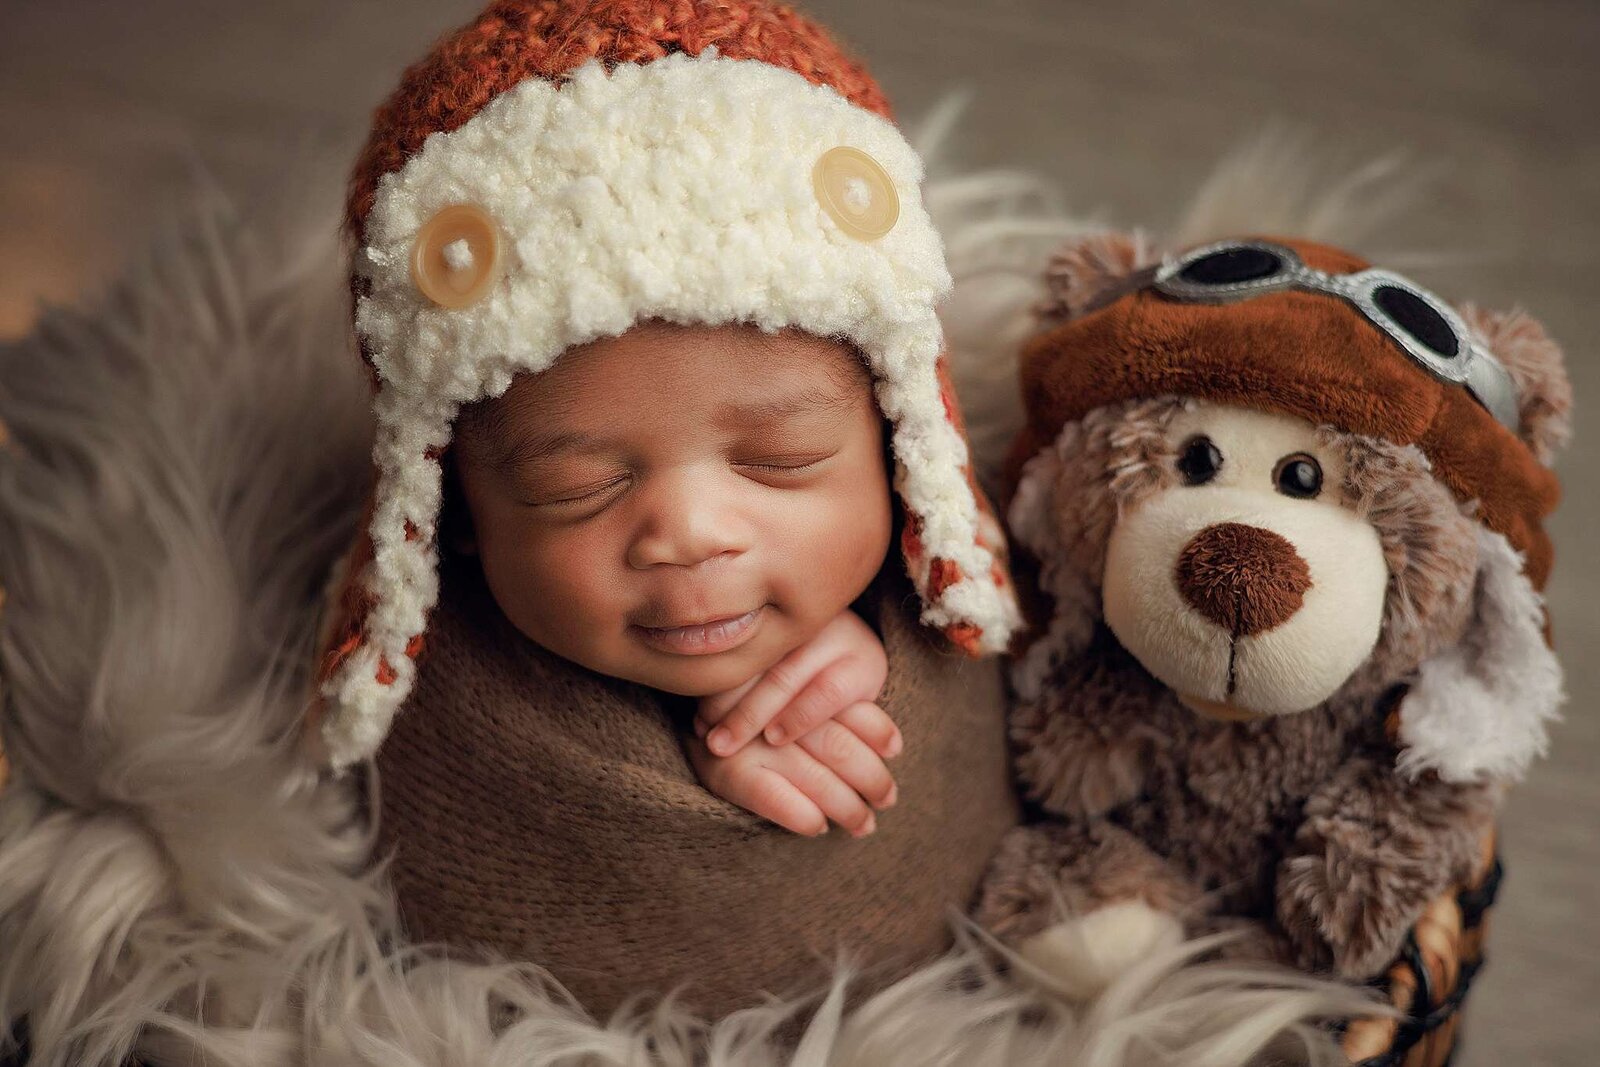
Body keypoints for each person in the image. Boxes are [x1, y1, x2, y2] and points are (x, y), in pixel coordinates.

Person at [309, 0, 1022, 1017]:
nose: (688, 533)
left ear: (902, 445)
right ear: (451, 505)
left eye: (782, 459)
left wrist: (865, 644)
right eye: (577, 487)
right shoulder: (453, 660)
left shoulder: (940, 517)